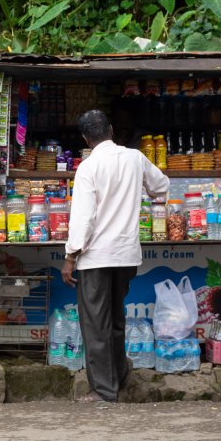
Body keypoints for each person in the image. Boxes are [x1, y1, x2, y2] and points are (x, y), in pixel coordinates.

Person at [61, 110, 169, 403]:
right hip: (125, 255)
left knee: (96, 325)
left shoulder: (89, 167)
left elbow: (83, 218)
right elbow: (161, 186)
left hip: (96, 257)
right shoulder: (135, 158)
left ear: (85, 138)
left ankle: (104, 390)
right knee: (116, 318)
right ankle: (119, 378)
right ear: (111, 130)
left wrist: (70, 256)